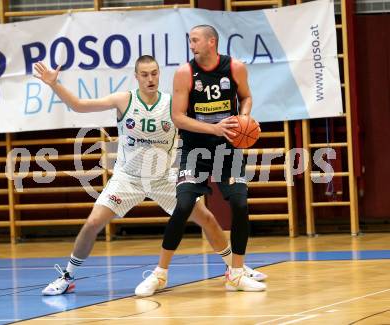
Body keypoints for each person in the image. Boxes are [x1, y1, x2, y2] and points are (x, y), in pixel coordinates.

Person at [34, 55, 266, 296]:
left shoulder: (172, 104)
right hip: (128, 177)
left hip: (164, 177)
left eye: (154, 73)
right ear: (136, 77)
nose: (150, 78)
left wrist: (236, 126)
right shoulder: (124, 100)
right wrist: (54, 83)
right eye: (144, 74)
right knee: (93, 223)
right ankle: (68, 277)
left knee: (206, 218)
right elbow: (80, 105)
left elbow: (205, 121)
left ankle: (235, 269)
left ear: (159, 74)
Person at [135, 26, 266, 296]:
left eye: (195, 40)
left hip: (227, 150)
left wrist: (245, 117)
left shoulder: (235, 68)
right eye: (190, 40)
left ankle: (237, 274)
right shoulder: (185, 73)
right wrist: (215, 128)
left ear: (211, 42)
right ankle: (160, 275)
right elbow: (178, 117)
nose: (191, 44)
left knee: (240, 204)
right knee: (183, 205)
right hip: (195, 149)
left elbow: (247, 97)